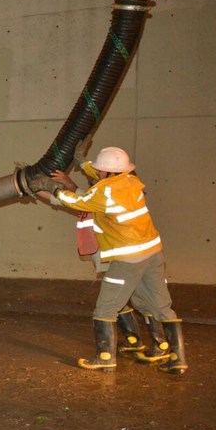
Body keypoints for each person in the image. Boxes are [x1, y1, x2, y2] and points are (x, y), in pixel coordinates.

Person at [30, 147, 187, 374]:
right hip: (153, 252)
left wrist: (50, 186)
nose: (96, 171)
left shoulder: (103, 193)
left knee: (105, 308)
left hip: (128, 258)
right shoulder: (131, 182)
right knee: (161, 306)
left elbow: (76, 201)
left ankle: (105, 358)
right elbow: (101, 179)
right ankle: (177, 358)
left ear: (105, 171)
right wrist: (82, 162)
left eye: (98, 169)